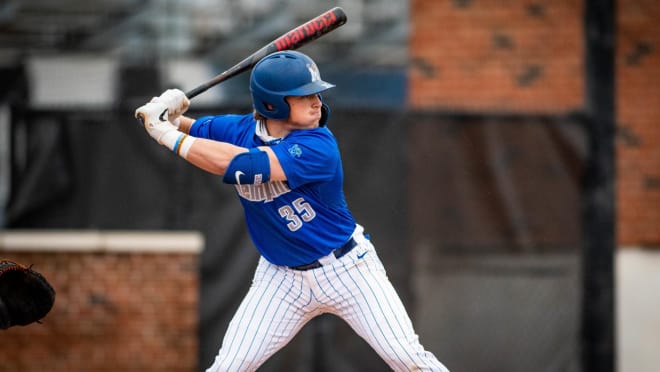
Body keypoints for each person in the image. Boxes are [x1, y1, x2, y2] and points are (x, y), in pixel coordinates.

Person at [135, 50, 449, 372]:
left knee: (408, 359)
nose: (316, 102)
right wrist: (171, 118)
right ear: (273, 104)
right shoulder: (239, 130)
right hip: (281, 279)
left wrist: (164, 133)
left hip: (347, 270)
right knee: (227, 367)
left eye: (315, 94)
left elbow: (235, 163)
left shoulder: (318, 145)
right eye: (304, 96)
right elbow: (198, 131)